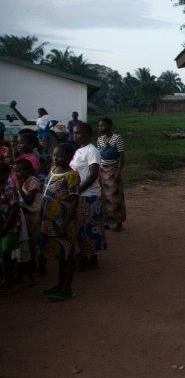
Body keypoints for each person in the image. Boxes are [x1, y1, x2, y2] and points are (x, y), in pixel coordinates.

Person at [39, 143, 80, 302]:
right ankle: (59, 284)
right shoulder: (52, 169)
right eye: (54, 155)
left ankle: (67, 289)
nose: (56, 158)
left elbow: (75, 201)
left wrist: (66, 222)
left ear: (70, 158)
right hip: (50, 220)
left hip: (64, 221)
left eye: (60, 156)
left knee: (67, 254)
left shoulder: (72, 176)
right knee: (60, 254)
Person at [71, 124, 107, 269]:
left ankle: (93, 261)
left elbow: (93, 175)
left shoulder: (92, 151)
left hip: (89, 196)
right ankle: (84, 258)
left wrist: (78, 191)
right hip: (81, 195)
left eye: (79, 133)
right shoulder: (79, 150)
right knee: (81, 228)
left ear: (88, 134)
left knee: (90, 228)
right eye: (74, 133)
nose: (75, 135)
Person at [97, 118, 126, 232]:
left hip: (113, 170)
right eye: (99, 126)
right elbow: (99, 156)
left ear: (110, 126)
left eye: (103, 125)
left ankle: (118, 222)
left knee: (115, 197)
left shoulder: (117, 138)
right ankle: (107, 221)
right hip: (102, 170)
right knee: (104, 197)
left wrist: (118, 172)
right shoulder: (100, 139)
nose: (100, 128)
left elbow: (122, 156)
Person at [14, 159, 42, 276]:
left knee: (34, 243)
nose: (16, 174)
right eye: (15, 171)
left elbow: (29, 201)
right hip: (26, 215)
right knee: (29, 242)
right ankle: (30, 268)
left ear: (28, 171)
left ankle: (37, 267)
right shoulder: (24, 180)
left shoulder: (33, 181)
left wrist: (20, 188)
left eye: (19, 171)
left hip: (33, 216)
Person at [0, 162, 21, 294]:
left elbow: (14, 208)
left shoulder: (8, 188)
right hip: (3, 227)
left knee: (5, 254)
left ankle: (9, 282)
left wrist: (6, 227)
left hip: (10, 227)